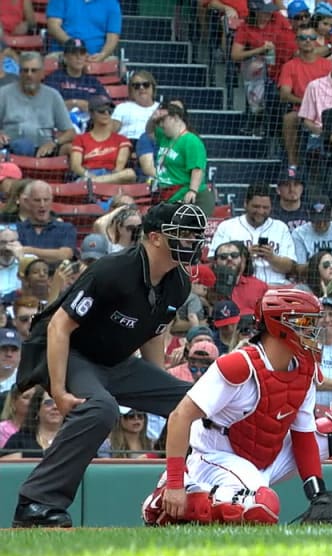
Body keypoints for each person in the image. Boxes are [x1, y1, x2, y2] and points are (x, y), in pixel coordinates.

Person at [144, 289, 332, 525]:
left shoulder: (304, 366)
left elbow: (304, 434)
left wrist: (316, 491)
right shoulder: (239, 365)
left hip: (268, 455)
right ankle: (171, 502)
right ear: (280, 326)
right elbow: (180, 416)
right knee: (263, 507)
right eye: (305, 322)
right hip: (216, 456)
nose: (314, 330)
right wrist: (173, 483)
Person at [9, 203, 206, 528]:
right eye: (183, 235)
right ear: (155, 237)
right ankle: (37, 503)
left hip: (116, 362)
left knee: (197, 403)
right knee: (101, 409)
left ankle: (184, 495)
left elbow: (152, 334)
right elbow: (59, 326)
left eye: (194, 235)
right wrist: (58, 390)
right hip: (69, 352)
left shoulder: (178, 283)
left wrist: (159, 385)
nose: (192, 241)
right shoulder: (113, 270)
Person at [0, 52, 76, 158]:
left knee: (72, 149)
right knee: (24, 146)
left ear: (42, 74)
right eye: (25, 70)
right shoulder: (4, 93)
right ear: (20, 73)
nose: (29, 74)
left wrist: (54, 143)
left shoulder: (53, 95)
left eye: (34, 71)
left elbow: (70, 132)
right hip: (12, 149)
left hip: (45, 149)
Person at [69, 95, 135, 185]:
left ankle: (92, 183)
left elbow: (118, 168)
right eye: (101, 111)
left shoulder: (122, 140)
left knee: (129, 173)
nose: (106, 114)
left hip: (111, 177)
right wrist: (88, 175)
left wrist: (97, 180)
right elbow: (75, 166)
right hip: (88, 174)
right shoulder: (80, 139)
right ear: (91, 114)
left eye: (109, 111)